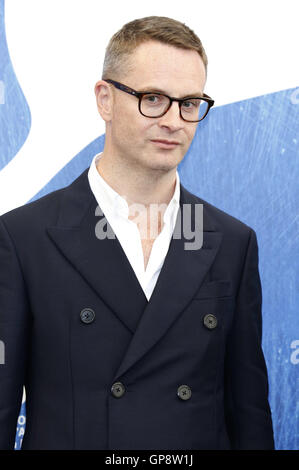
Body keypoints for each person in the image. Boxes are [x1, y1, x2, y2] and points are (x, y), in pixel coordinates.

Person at [0, 16, 274, 450]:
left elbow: (249, 414)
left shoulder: (231, 242)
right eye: (152, 98)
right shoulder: (23, 238)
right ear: (105, 100)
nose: (174, 120)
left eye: (189, 103)